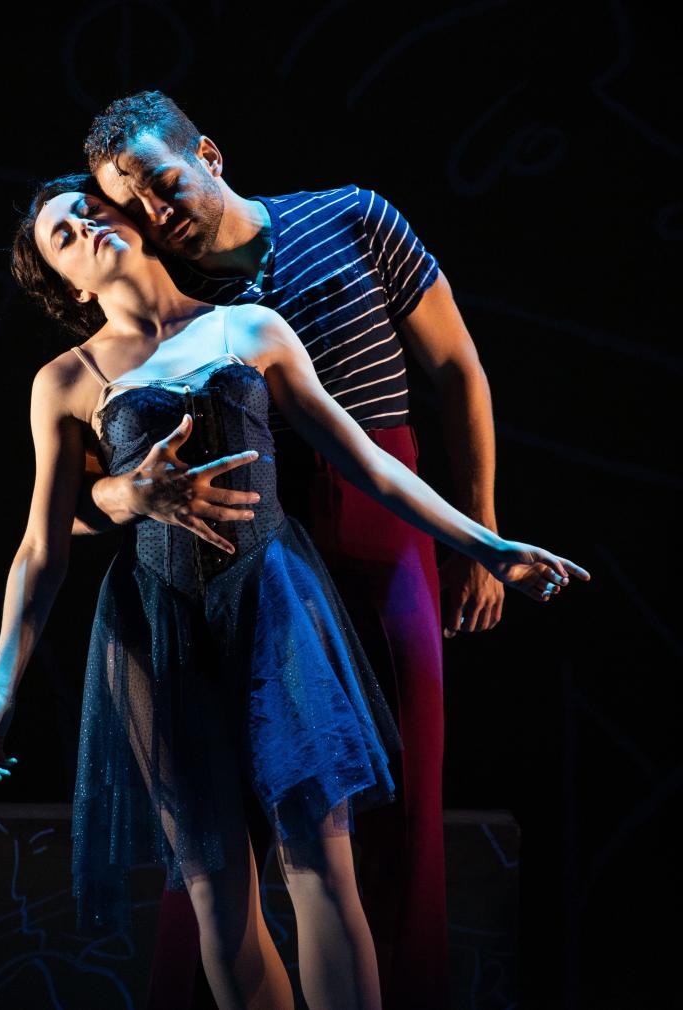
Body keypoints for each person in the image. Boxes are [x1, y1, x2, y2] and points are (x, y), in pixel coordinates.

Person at [0, 172, 589, 1010]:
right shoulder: (64, 382)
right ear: (66, 283)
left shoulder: (249, 325)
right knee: (219, 900)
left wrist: (489, 543)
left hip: (275, 609)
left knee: (324, 871)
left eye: (88, 211)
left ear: (132, 221)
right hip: (160, 628)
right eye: (62, 237)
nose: (84, 229)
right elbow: (43, 543)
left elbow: (369, 462)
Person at [74, 89, 501, 1010]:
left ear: (210, 155)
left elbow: (459, 366)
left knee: (395, 815)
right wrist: (123, 494)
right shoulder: (174, 309)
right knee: (215, 851)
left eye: (162, 181)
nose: (156, 212)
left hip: (382, 528)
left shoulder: (350, 214)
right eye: (131, 205)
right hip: (239, 551)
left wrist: (477, 533)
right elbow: (78, 498)